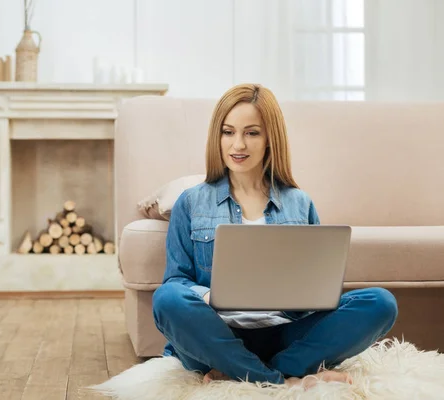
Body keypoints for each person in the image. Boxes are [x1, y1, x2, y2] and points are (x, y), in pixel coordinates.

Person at [151, 83, 398, 389]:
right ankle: (281, 380)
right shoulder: (190, 202)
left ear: (270, 139)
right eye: (228, 132)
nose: (237, 145)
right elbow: (176, 281)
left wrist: (309, 296)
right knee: (166, 299)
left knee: (381, 303)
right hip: (217, 335)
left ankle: (246, 372)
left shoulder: (299, 202)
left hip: (286, 335)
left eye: (251, 133)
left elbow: (318, 288)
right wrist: (210, 297)